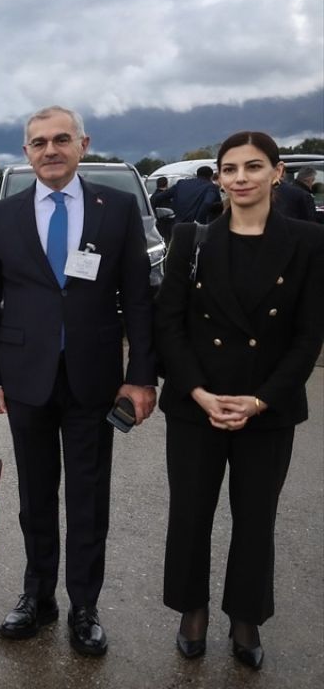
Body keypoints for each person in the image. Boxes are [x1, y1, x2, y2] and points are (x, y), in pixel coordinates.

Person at [0, 106, 157, 657]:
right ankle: (37, 595)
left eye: (60, 140)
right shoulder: (2, 217)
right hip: (25, 378)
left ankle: (84, 605)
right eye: (38, 143)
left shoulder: (117, 209)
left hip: (93, 378)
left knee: (87, 495)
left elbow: (138, 301)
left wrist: (141, 375)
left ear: (83, 144)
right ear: (25, 153)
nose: (49, 150)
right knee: (35, 496)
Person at [154, 131, 324, 670]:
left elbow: (308, 335)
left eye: (253, 167)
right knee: (190, 513)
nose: (241, 178)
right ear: (220, 178)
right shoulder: (191, 239)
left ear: (278, 172)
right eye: (230, 169)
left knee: (256, 517)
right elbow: (169, 326)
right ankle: (192, 609)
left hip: (267, 408)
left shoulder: (308, 241)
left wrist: (259, 401)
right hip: (196, 404)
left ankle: (246, 614)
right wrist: (200, 393)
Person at [153, 165, 221, 223]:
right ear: (211, 177)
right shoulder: (211, 187)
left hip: (177, 225)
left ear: (197, 175)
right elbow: (207, 203)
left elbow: (159, 197)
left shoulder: (181, 183)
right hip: (196, 228)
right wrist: (199, 221)